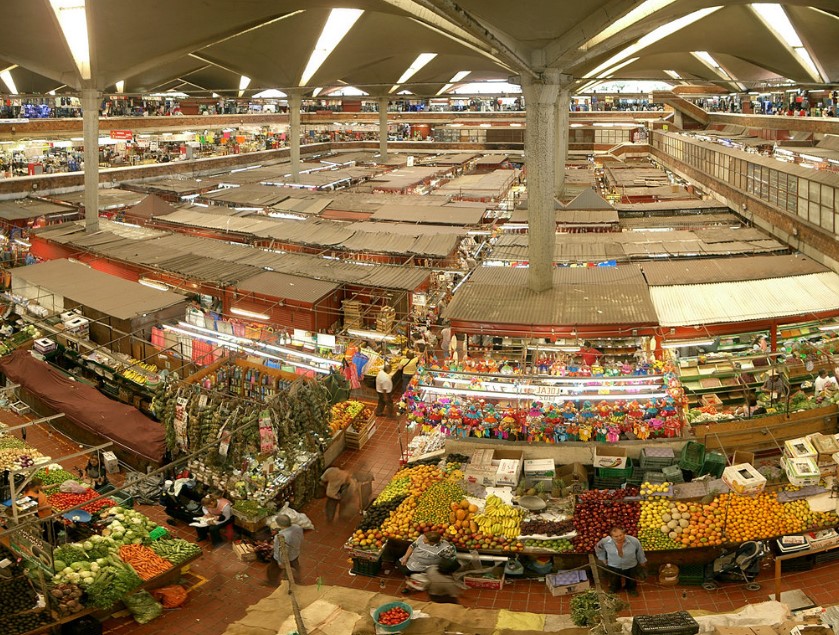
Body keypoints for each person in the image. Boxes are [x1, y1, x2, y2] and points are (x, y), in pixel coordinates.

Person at [595, 526, 647, 595]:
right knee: (614, 579)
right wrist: (603, 558)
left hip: (631, 564)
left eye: (621, 535)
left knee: (631, 579)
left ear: (624, 534)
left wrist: (642, 560)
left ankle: (631, 589)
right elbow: (598, 548)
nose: (619, 538)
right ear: (611, 536)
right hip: (614, 565)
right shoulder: (605, 541)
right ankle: (614, 588)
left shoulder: (633, 541)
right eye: (616, 536)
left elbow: (639, 551)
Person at [266, 514, 303, 585]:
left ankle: (272, 581)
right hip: (295, 553)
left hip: (284, 557)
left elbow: (279, 550)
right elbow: (301, 538)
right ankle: (297, 581)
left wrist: (280, 562)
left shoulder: (280, 537)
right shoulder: (297, 527)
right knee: (295, 565)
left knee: (273, 569)